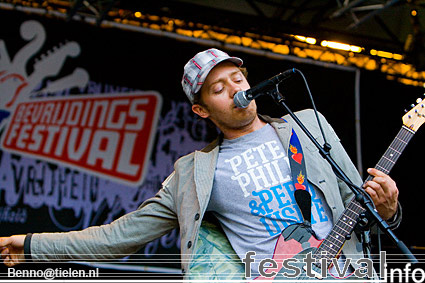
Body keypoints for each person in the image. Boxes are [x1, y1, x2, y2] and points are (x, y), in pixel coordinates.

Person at [0, 48, 400, 280]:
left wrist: (390, 210)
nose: (235, 89)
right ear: (201, 109)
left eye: (237, 79)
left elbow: (358, 202)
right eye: (218, 88)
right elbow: (119, 236)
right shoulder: (194, 173)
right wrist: (34, 247)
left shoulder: (307, 124)